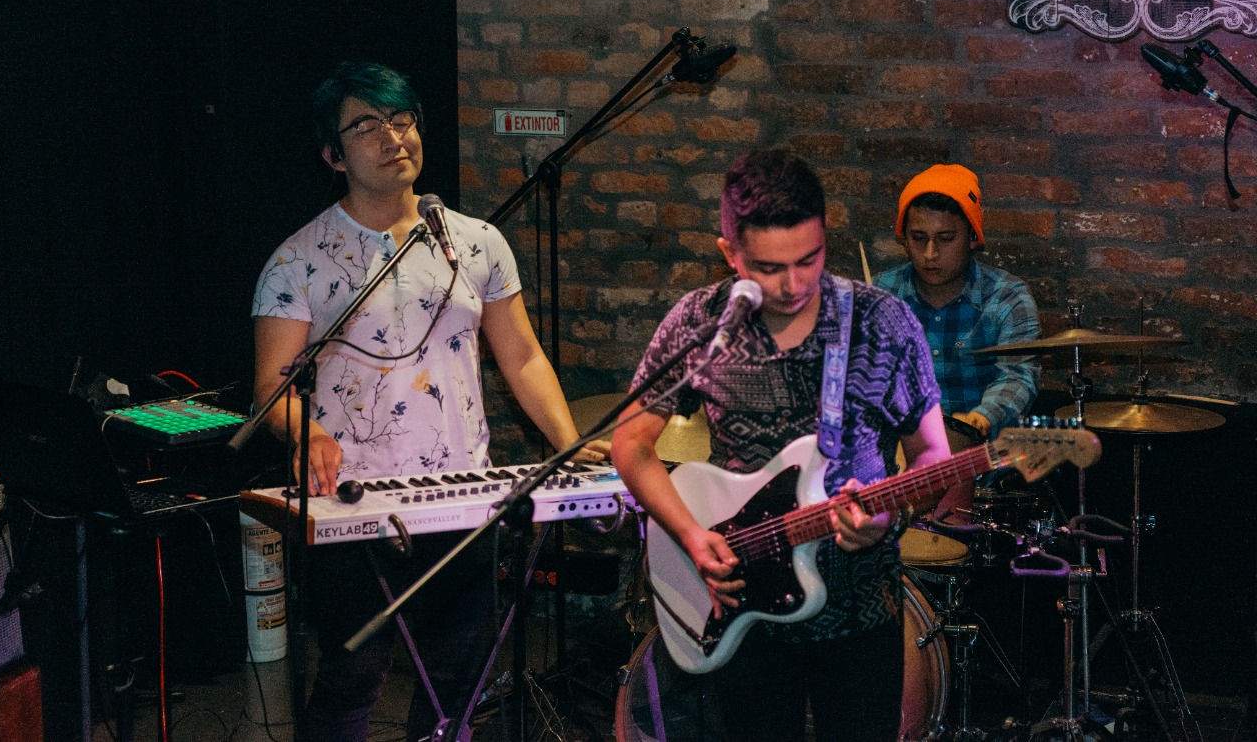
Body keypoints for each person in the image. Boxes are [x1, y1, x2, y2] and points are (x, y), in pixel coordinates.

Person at [251, 60, 605, 742]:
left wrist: (565, 442)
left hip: (462, 496)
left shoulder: (476, 242)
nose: (393, 137)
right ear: (333, 155)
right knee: (352, 682)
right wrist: (308, 434)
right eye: (367, 126)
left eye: (401, 119)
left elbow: (523, 357)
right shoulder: (298, 261)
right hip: (353, 503)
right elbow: (271, 385)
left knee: (457, 687)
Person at [610, 148, 954, 741]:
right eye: (769, 268)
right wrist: (691, 537)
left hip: (861, 610)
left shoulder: (882, 322)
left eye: (809, 259)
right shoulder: (701, 322)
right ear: (730, 253)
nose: (793, 284)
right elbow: (631, 443)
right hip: (741, 610)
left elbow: (932, 457)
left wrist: (887, 514)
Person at [874, 164, 1041, 443]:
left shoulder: (1007, 297)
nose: (930, 253)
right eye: (918, 238)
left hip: (980, 457)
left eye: (946, 239)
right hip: (898, 459)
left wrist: (980, 419)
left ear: (973, 237)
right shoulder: (880, 295)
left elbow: (1018, 376)